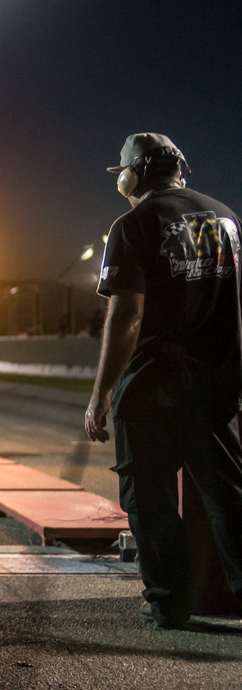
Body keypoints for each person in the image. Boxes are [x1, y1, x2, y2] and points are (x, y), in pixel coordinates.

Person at [84, 133, 242, 629]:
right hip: (218, 382)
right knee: (228, 496)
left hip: (152, 386)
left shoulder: (133, 225)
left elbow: (126, 316)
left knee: (147, 499)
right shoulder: (227, 218)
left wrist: (101, 393)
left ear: (137, 173)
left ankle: (168, 602)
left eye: (123, 172)